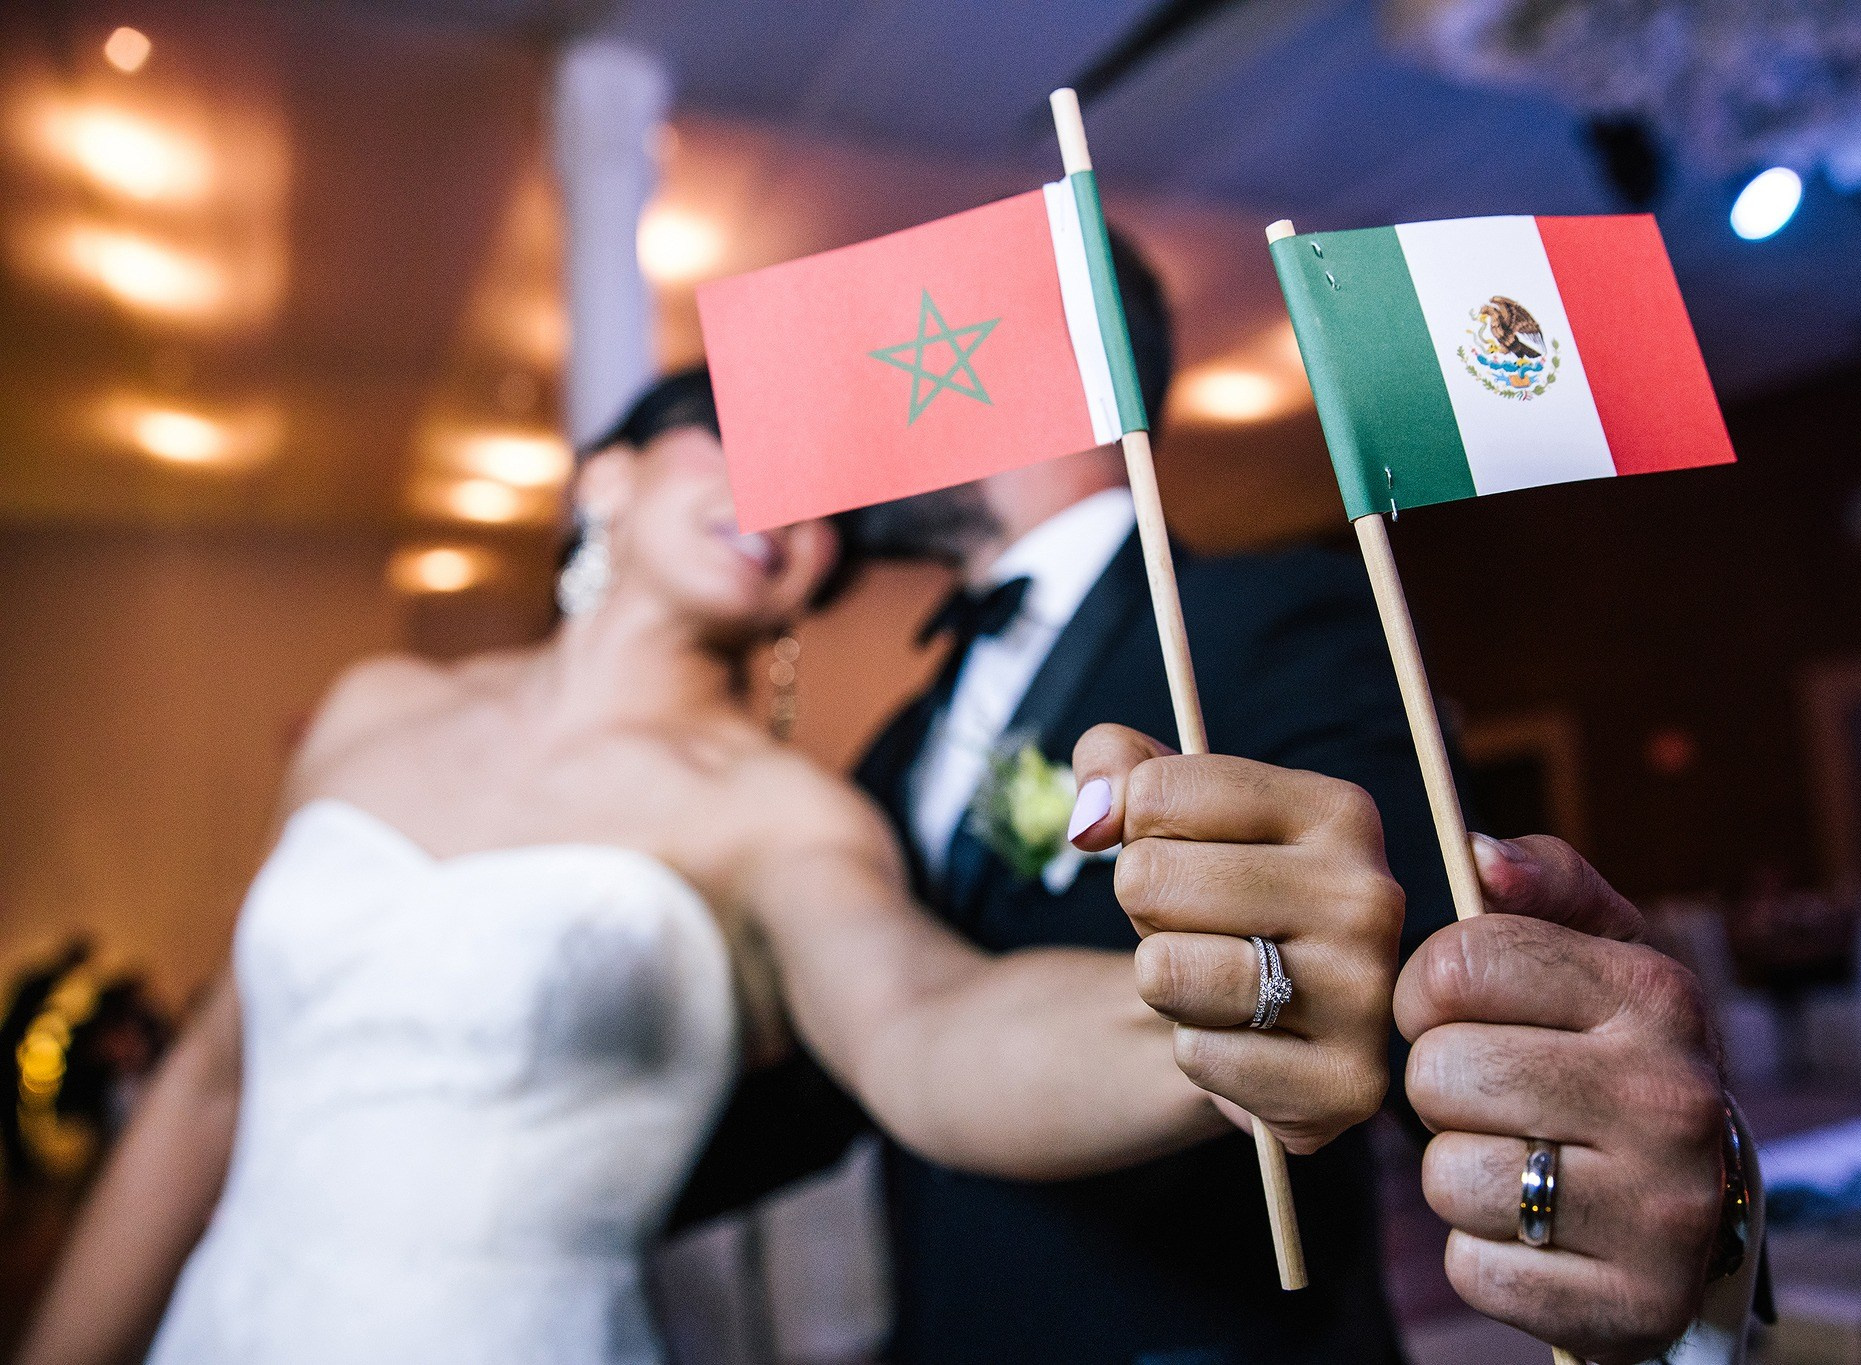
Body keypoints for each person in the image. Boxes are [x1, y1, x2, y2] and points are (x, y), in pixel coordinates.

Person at [15, 372, 1421, 1365]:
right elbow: (208, 1088)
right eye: (722, 436)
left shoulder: (780, 813)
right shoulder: (377, 703)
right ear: (603, 473)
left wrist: (1220, 1005)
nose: (781, 503)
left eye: (815, 499)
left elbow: (928, 1027)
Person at [675, 234, 1757, 1365]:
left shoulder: (1269, 618)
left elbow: (1418, 972)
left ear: (1058, 370)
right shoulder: (903, 736)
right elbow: (850, 1055)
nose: (873, 424)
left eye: (918, 350)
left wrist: (1612, 1161)